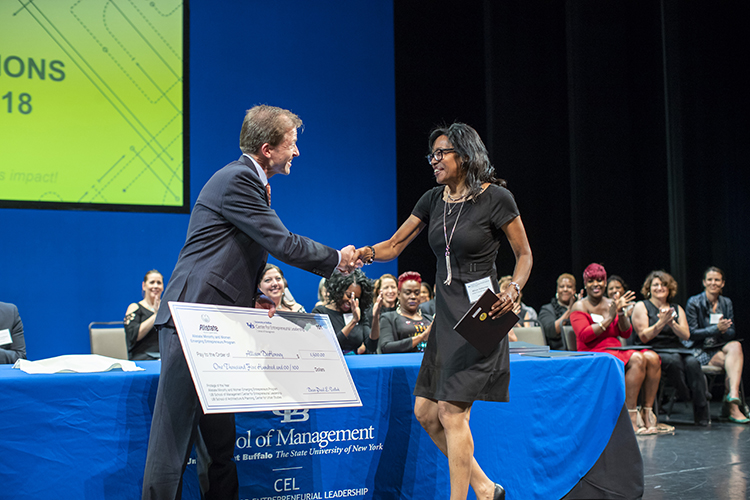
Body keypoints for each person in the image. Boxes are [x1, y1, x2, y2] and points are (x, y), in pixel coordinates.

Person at [142, 105, 360, 500]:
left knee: (220, 447)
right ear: (266, 148)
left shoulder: (250, 182)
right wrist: (337, 259)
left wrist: (255, 297)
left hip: (218, 324)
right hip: (193, 321)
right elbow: (282, 243)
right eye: (291, 145)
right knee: (172, 450)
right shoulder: (240, 179)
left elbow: (227, 253)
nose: (297, 153)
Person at [356, 122, 532, 500]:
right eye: (431, 155)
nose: (433, 161)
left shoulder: (496, 198)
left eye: (441, 154)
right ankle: (484, 488)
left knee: (452, 413)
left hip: (483, 314)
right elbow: (394, 244)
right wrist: (364, 255)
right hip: (447, 316)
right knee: (425, 413)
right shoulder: (432, 200)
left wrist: (514, 287)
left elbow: (525, 255)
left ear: (464, 155)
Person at [572, 264, 668, 435]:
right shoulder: (580, 306)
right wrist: (610, 317)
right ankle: (630, 415)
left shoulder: (612, 303)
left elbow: (625, 332)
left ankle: (647, 412)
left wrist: (621, 313)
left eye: (600, 280)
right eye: (592, 281)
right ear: (585, 284)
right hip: (593, 353)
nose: (596, 284)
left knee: (652, 357)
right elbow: (585, 336)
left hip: (615, 351)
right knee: (637, 359)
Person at [631, 270, 710, 426]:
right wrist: (661, 323)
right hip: (652, 348)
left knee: (693, 362)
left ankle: (701, 409)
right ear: (649, 288)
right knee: (673, 361)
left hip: (676, 347)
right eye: (656, 285)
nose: (660, 288)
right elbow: (644, 336)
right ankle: (686, 394)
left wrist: (671, 323)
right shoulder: (642, 306)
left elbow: (686, 335)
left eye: (663, 285)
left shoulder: (676, 308)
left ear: (669, 289)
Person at [685, 266, 748, 423]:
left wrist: (724, 330)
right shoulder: (694, 302)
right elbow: (691, 333)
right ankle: (732, 408)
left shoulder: (726, 303)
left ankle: (733, 395)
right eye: (710, 280)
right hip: (699, 350)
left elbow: (732, 332)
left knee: (736, 347)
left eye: (717, 280)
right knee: (733, 365)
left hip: (718, 348)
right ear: (704, 282)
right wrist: (715, 329)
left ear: (723, 283)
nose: (713, 283)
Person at [312, 270, 376, 355]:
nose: (351, 301)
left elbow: (372, 346)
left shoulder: (359, 313)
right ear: (339, 290)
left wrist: (376, 316)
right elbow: (330, 346)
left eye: (356, 298)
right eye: (349, 296)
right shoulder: (320, 312)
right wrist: (353, 321)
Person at [376, 271, 434, 353]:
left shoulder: (429, 319)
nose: (413, 297)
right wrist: (422, 337)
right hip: (404, 364)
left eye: (417, 293)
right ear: (399, 295)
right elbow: (386, 347)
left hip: (430, 364)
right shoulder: (388, 318)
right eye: (408, 293)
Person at [123, 270, 163, 360]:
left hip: (163, 358)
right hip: (142, 357)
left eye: (159, 283)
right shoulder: (135, 307)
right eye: (152, 282)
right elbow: (133, 336)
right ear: (144, 286)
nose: (155, 286)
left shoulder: (167, 308)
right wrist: (156, 315)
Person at [538, 273, 578, 350]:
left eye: (569, 287)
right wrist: (570, 310)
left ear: (574, 290)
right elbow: (551, 331)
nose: (565, 289)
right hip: (556, 352)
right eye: (562, 286)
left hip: (579, 350)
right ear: (557, 290)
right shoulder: (547, 309)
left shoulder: (580, 308)